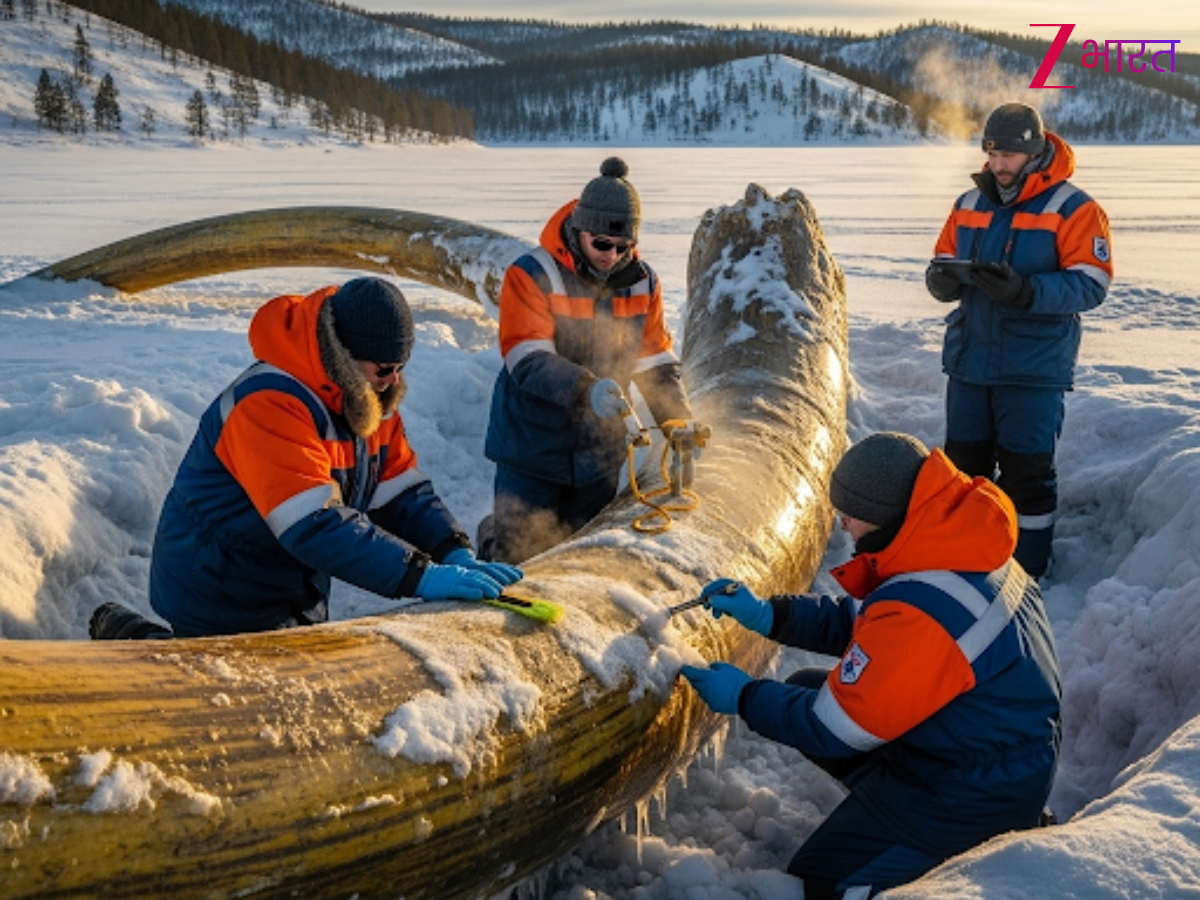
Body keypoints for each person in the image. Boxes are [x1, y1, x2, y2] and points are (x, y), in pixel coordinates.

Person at [680, 432, 1062, 899]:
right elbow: (868, 622)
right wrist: (769, 614)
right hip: (978, 748)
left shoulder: (928, 611)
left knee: (822, 878)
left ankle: (964, 844)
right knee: (805, 686)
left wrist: (744, 697)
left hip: (976, 790)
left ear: (882, 517)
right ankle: (891, 810)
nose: (842, 526)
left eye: (848, 516)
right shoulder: (950, 545)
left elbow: (836, 728)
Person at [90, 277, 521, 640]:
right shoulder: (268, 403)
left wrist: (452, 550)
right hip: (220, 580)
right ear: (344, 358)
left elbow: (401, 492)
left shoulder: (367, 399)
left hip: (288, 579)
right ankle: (124, 633)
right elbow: (313, 523)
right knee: (203, 688)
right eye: (384, 368)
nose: (392, 382)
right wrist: (419, 576)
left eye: (400, 368)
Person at [924, 101, 1113, 578]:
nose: (998, 164)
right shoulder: (969, 203)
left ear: (1033, 153)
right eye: (991, 153)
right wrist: (941, 281)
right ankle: (965, 567)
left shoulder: (1074, 208)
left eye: (1008, 155)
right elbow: (942, 257)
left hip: (1033, 368)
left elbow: (1092, 283)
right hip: (969, 363)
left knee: (1026, 475)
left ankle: (1026, 574)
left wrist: (1027, 291)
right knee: (963, 472)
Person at [481, 157, 697, 562]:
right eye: (602, 244)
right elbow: (526, 356)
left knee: (578, 558)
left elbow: (655, 359)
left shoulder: (643, 281)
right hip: (532, 449)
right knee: (518, 557)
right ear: (580, 229)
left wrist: (678, 422)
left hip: (599, 454)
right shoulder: (532, 274)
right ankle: (491, 541)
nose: (611, 255)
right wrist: (587, 388)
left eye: (623, 247)